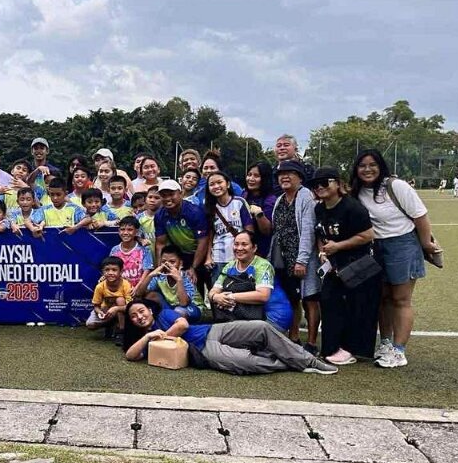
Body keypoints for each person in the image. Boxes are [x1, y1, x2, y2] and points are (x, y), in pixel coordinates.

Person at [350, 149, 440, 368]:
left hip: (403, 244)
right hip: (375, 247)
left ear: (381, 166)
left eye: (372, 165)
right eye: (362, 165)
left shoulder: (396, 186)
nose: (367, 169)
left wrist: (426, 243)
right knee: (383, 298)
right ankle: (386, 343)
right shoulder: (356, 190)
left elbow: (420, 216)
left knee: (400, 299)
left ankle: (399, 351)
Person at [124, 299, 337, 375]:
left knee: (261, 327)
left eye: (141, 311)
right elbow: (130, 356)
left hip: (211, 331)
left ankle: (309, 361)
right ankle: (290, 363)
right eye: (133, 316)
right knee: (245, 362)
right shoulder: (146, 339)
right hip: (204, 352)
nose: (139, 317)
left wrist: (162, 337)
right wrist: (148, 337)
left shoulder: (164, 314)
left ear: (149, 310)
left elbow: (183, 324)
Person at [311, 167, 382, 364]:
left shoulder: (352, 207)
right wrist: (322, 252)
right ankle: (332, 347)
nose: (320, 187)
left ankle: (353, 350)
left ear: (337, 183)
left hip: (359, 265)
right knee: (329, 301)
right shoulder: (319, 209)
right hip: (335, 265)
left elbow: (368, 235)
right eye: (315, 184)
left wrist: (338, 246)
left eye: (325, 182)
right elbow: (320, 234)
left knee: (358, 306)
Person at [268, 160, 320, 349]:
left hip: (303, 259)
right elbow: (276, 232)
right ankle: (294, 336)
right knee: (292, 298)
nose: (285, 177)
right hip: (284, 260)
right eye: (281, 174)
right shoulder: (280, 200)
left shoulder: (306, 197)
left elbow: (308, 231)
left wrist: (302, 260)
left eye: (290, 173)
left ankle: (312, 342)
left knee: (310, 299)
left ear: (300, 177)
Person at [209, 230, 292, 332]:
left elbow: (263, 295)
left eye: (244, 244)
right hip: (251, 315)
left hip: (274, 317)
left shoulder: (263, 265)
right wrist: (216, 297)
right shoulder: (230, 266)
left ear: (254, 248)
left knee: (227, 335)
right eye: (236, 244)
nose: (239, 248)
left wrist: (230, 297)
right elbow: (213, 291)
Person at [203, 172, 253, 284]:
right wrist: (208, 257)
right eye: (212, 184)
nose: (216, 186)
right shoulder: (209, 207)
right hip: (218, 258)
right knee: (218, 290)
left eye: (219, 182)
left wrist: (247, 254)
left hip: (240, 255)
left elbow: (249, 230)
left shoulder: (239, 202)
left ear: (228, 184)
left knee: (240, 289)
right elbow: (210, 234)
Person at [135, 246, 200, 325]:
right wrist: (150, 275)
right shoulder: (160, 276)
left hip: (191, 308)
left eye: (172, 262)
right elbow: (138, 294)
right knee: (151, 295)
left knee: (179, 311)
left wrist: (179, 280)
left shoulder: (187, 276)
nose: (167, 265)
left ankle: (179, 327)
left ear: (180, 263)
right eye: (164, 262)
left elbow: (183, 303)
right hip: (170, 307)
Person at [87, 256, 132, 343]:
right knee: (90, 325)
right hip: (106, 310)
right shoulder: (100, 286)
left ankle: (121, 331)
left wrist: (116, 308)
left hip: (123, 311)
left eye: (114, 270)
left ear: (121, 272)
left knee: (120, 300)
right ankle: (110, 323)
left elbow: (130, 306)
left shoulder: (126, 285)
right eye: (107, 270)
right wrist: (100, 312)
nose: (110, 273)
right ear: (103, 272)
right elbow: (96, 306)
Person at [242, 162, 276, 258]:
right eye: (249, 175)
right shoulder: (244, 195)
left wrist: (259, 214)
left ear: (265, 179)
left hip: (262, 252)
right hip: (243, 248)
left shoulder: (271, 200)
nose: (251, 179)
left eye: (256, 176)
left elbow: (267, 231)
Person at [110, 215, 153, 288]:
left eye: (130, 230)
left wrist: (137, 288)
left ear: (136, 232)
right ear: (119, 231)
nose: (125, 233)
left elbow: (147, 271)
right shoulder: (115, 250)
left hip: (140, 288)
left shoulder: (144, 249)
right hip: (121, 288)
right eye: (122, 229)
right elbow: (112, 270)